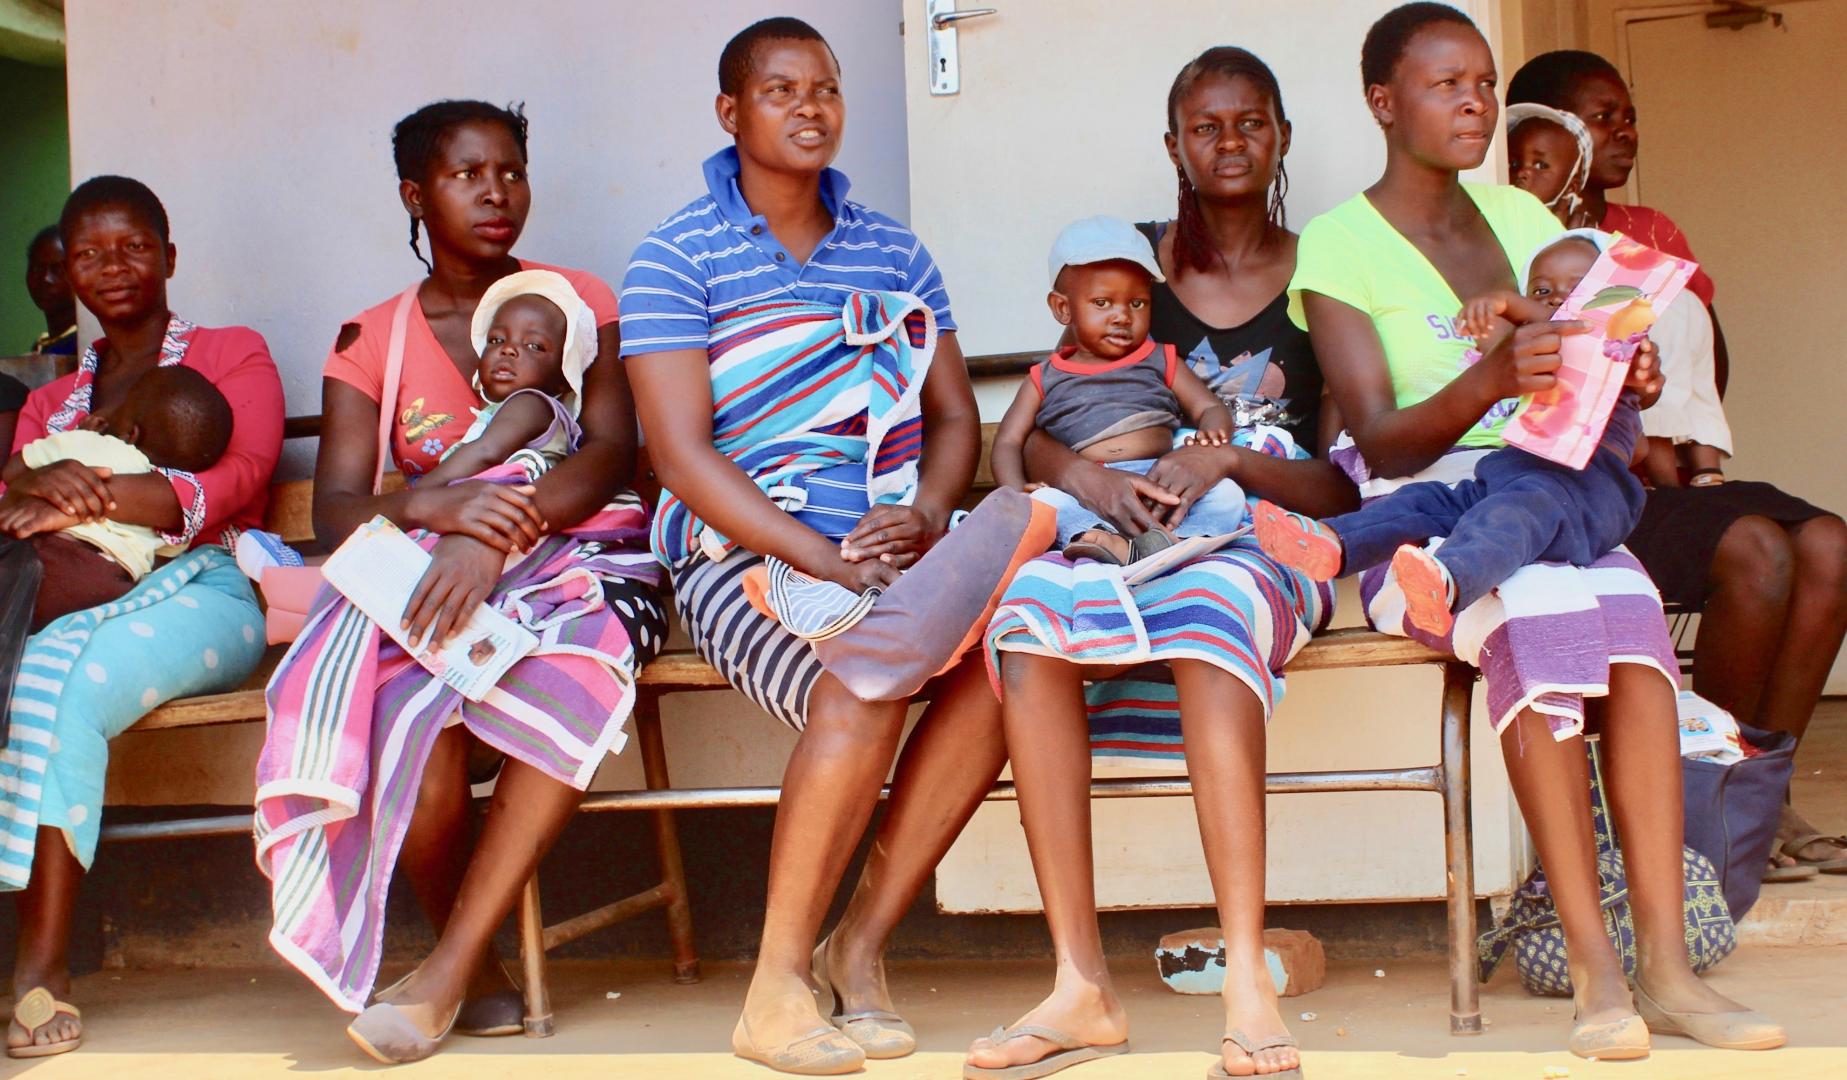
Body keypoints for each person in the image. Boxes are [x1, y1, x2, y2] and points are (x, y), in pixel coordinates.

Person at [1297, 4, 1784, 1059]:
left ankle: (1665, 971)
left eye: (1481, 82)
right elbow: (1376, 442)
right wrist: (1486, 381)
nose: (1473, 102)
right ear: (1383, 103)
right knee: (1541, 627)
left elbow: (1599, 337)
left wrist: (1630, 370)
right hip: (1430, 524)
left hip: (1556, 491)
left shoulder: (1523, 225)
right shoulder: (1336, 246)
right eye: (1444, 85)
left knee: (1633, 629)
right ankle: (1595, 979)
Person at [621, 19, 1053, 1075]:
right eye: (780, 91)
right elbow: (678, 458)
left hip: (892, 556)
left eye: (825, 87)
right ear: (730, 114)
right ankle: (774, 988)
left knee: (1014, 663)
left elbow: (954, 418)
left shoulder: (894, 250)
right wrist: (815, 557)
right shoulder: (675, 257)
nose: (810, 107)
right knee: (856, 688)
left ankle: (856, 947)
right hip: (740, 558)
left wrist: (928, 507)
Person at [966, 46, 1355, 1080]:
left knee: (1214, 606)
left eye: (1251, 122)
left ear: (1280, 136)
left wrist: (1225, 456)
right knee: (1027, 613)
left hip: (1262, 536)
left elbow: (1342, 482)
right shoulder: (1130, 284)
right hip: (1121, 532)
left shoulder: (1323, 275)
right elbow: (1044, 422)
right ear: (1172, 145)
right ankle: (1077, 982)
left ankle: (1244, 981)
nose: (1229, 143)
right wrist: (1085, 484)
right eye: (1206, 126)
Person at [253, 100, 665, 1065]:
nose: (496, 192)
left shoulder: (575, 303)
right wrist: (438, 514)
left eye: (511, 172)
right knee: (407, 726)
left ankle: (444, 972)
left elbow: (608, 453)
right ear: (414, 193)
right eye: (466, 174)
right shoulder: (371, 340)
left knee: (579, 668)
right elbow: (338, 512)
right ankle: (470, 968)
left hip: (580, 565)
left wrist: (500, 532)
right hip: (444, 584)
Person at [1511, 49, 1847, 879]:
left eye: (1626, 116)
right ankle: (1710, 800)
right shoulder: (1516, 241)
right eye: (1599, 117)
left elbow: (1703, 348)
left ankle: (1761, 796)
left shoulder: (1647, 232)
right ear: (1539, 135)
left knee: (1830, 545)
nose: (1619, 132)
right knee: (1759, 549)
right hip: (1591, 486)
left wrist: (1687, 452)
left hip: (1672, 463)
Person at [2, 175, 283, 1059]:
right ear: (67, 269)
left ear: (169, 255)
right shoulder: (51, 404)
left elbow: (242, 475)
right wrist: (26, 485)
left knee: (62, 683)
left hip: (206, 591)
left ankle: (39, 969)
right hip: (59, 590)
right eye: (89, 253)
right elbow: (13, 496)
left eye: (132, 247)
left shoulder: (233, 352)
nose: (112, 268)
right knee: (34, 660)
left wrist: (84, 500)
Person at [1255, 231, 1651, 637]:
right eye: (1542, 289)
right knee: (1427, 500)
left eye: (1579, 288)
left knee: (1512, 517)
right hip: (1510, 475)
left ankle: (1448, 584)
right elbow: (1503, 347)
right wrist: (1493, 318)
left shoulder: (1620, 354)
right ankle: (1333, 542)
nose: (1555, 300)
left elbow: (1642, 378)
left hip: (1582, 495)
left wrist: (1508, 302)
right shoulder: (1538, 353)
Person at [992, 215, 1241, 565]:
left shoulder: (1161, 359)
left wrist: (1212, 435)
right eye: (1102, 303)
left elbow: (1209, 407)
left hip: (1159, 482)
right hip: (1088, 493)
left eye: (1136, 303)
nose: (1122, 316)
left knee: (1227, 496)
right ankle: (1099, 538)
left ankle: (1170, 543)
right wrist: (1015, 489)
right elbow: (1008, 441)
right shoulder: (1043, 377)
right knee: (1047, 506)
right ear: (1063, 308)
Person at [5, 365, 234, 629]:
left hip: (50, 561)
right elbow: (166, 554)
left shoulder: (86, 442)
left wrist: (77, 437)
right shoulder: (161, 495)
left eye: (122, 405)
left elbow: (12, 470)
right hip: (108, 586)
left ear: (130, 433)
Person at [415, 268, 594, 488]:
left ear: (564, 378)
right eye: (496, 340)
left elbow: (487, 452)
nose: (508, 349)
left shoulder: (531, 403)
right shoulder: (504, 411)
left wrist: (416, 494)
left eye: (533, 346)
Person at [1505, 104, 1595, 228]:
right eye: (1513, 164)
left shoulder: (1587, 237)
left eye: (1541, 165)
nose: (1522, 172)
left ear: (1571, 187)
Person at [24, 226, 78, 359]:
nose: (45, 278)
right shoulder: (41, 347)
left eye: (58, 270)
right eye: (37, 269)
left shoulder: (87, 346)